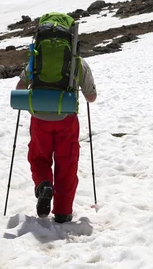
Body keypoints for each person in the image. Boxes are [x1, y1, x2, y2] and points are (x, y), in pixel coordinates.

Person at [16, 57, 97, 223]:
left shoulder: (37, 57)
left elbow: (20, 88)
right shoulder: (77, 61)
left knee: (38, 156)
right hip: (67, 118)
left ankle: (44, 184)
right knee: (67, 163)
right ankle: (63, 212)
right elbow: (91, 97)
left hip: (39, 118)